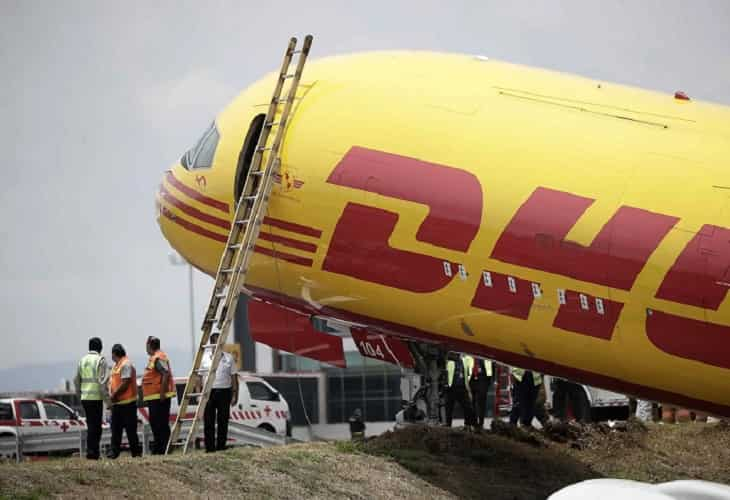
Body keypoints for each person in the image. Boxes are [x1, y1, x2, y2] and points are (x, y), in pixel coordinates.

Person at [200, 333, 238, 452]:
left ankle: (221, 446)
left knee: (223, 420)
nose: (219, 346)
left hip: (224, 392)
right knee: (208, 421)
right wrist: (198, 394)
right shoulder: (204, 358)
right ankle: (210, 448)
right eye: (217, 343)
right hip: (208, 393)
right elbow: (198, 378)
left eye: (221, 343)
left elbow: (234, 378)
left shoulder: (229, 358)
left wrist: (235, 395)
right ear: (212, 344)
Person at [74, 337, 109, 460]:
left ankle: (91, 452)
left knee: (90, 426)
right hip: (96, 398)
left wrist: (80, 396)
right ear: (100, 348)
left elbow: (76, 380)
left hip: (85, 398)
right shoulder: (101, 360)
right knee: (96, 427)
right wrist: (108, 401)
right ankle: (93, 453)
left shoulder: (82, 361)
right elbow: (102, 383)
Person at [107, 344, 142, 458]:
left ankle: (136, 453)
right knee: (115, 431)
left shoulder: (125, 364)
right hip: (117, 404)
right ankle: (114, 452)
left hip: (128, 404)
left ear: (114, 353)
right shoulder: (115, 366)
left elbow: (125, 382)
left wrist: (114, 395)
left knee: (131, 431)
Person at [142, 336, 175, 454]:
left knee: (160, 424)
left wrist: (162, 393)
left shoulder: (158, 357)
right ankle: (160, 448)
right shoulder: (154, 358)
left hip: (159, 397)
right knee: (156, 423)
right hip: (154, 397)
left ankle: (163, 449)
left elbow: (165, 374)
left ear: (149, 346)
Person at [445, 353, 475, 428]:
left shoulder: (464, 361)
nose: (456, 355)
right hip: (451, 388)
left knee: (468, 407)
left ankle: (468, 424)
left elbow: (466, 375)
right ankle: (448, 425)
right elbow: (445, 374)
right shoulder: (448, 362)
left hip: (462, 387)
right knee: (449, 408)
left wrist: (467, 388)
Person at [469, 357, 493, 430]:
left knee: (481, 403)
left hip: (482, 380)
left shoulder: (485, 357)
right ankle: (474, 422)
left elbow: (492, 369)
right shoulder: (468, 357)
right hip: (471, 381)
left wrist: (488, 383)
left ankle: (481, 423)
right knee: (472, 403)